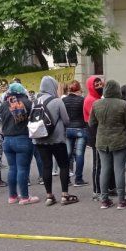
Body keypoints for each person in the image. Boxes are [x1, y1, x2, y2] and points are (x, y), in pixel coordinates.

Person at [34, 76, 79, 206]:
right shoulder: (57, 101)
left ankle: (49, 196)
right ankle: (65, 195)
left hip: (40, 139)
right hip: (57, 139)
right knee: (63, 165)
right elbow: (66, 120)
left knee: (46, 166)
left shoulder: (35, 101)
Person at [90, 80, 126, 209]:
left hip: (102, 141)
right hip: (120, 140)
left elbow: (91, 123)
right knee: (119, 170)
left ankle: (104, 200)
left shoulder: (96, 104)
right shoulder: (123, 105)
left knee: (105, 169)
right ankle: (121, 200)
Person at [1, 83, 38, 205]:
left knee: (12, 168)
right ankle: (25, 197)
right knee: (23, 169)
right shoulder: (27, 102)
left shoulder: (3, 104)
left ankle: (12, 196)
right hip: (23, 138)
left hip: (7, 140)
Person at [83, 75, 105, 199]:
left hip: (98, 133)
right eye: (96, 85)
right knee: (97, 164)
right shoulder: (90, 100)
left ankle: (104, 188)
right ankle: (96, 191)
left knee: (102, 163)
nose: (99, 86)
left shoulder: (97, 98)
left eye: (100, 84)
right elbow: (96, 118)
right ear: (91, 86)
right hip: (95, 134)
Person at [63, 80, 88, 187]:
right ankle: (78, 179)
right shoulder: (82, 100)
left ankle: (66, 179)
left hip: (68, 129)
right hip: (80, 129)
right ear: (78, 88)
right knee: (79, 154)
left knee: (67, 155)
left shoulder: (63, 100)